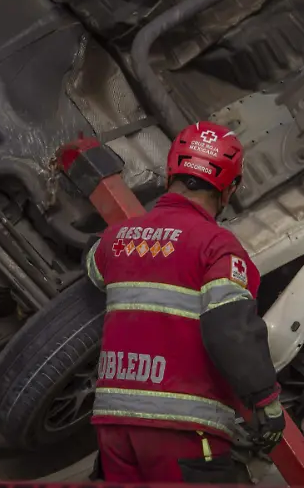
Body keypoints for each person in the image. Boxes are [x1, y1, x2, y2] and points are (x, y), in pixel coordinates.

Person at [84, 121, 284, 483]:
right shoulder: (216, 246)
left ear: (169, 173)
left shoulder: (117, 239)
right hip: (183, 429)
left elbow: (94, 268)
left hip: (114, 428)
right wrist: (265, 402)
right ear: (230, 188)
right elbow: (230, 328)